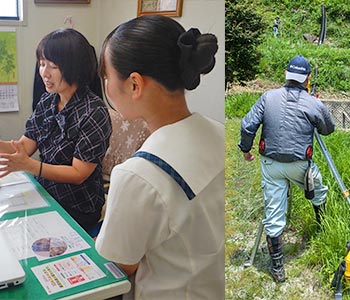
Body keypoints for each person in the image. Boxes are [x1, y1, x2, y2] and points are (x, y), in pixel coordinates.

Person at [94, 15, 224, 299]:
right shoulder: (220, 134)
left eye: (106, 76)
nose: (105, 85)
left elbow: (121, 262)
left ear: (134, 85)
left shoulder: (138, 175)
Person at [0, 28, 111, 234]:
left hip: (77, 205)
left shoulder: (94, 112)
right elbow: (25, 146)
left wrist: (30, 165)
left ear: (74, 68)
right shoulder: (48, 100)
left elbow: (79, 174)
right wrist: (20, 158)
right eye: (42, 64)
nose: (44, 72)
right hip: (45, 192)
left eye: (53, 66)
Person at [238, 54, 335, 282]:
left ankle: (278, 266)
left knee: (274, 213)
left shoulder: (267, 97)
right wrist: (316, 104)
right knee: (319, 191)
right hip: (301, 166)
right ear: (307, 78)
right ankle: (322, 228)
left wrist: (245, 149)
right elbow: (327, 129)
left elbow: (247, 124)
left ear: (286, 75)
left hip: (270, 165)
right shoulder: (313, 102)